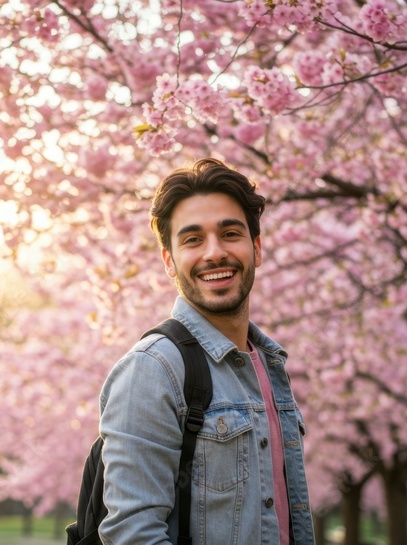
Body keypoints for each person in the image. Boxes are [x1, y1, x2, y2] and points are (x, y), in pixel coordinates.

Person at [97, 158, 315, 544]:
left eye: (230, 233)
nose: (214, 253)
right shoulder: (153, 369)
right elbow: (132, 534)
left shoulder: (269, 364)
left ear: (256, 248)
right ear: (169, 260)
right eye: (193, 239)